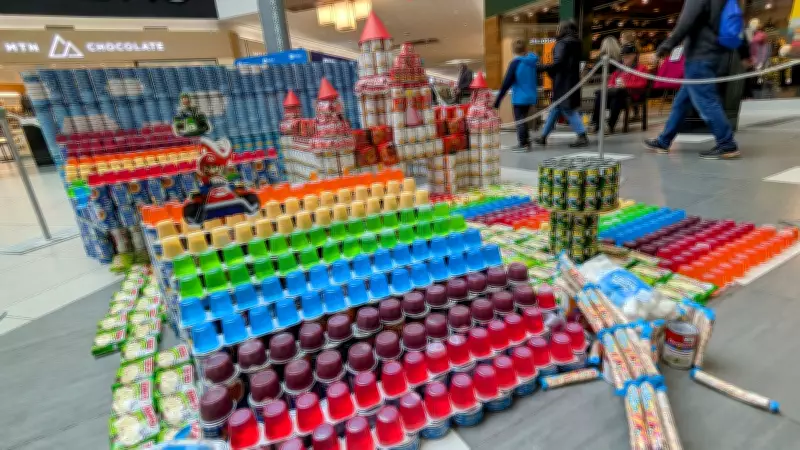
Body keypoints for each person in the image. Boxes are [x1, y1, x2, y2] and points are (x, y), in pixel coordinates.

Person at [643, 0, 744, 159]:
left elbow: (686, 21)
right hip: (716, 55)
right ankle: (664, 140)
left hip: (699, 57)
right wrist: (745, 53)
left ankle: (727, 144)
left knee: (706, 101)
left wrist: (666, 46)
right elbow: (737, 25)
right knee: (682, 102)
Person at [533, 20, 588, 148]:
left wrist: (542, 67)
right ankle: (543, 136)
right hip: (573, 80)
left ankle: (582, 135)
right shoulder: (578, 43)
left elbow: (558, 63)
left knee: (566, 109)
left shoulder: (561, 43)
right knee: (556, 109)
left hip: (562, 82)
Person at [590, 43, 648, 134]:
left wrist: (626, 85)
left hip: (632, 94)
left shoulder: (641, 68)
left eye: (627, 56)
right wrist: (611, 86)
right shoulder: (619, 69)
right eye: (623, 56)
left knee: (615, 93)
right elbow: (611, 81)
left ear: (634, 55)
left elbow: (642, 83)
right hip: (618, 94)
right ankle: (598, 124)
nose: (625, 58)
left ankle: (606, 125)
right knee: (604, 94)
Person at [494, 39, 539, 151]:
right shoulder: (532, 62)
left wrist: (498, 100)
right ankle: (527, 141)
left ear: (513, 51)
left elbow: (506, 83)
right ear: (526, 49)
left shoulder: (515, 63)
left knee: (519, 120)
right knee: (523, 120)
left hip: (519, 97)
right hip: (531, 96)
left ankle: (523, 144)